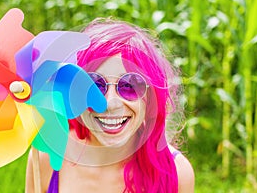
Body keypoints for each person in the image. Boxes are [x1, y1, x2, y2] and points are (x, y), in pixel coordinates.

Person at [26, 17, 194, 193]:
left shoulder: (176, 173)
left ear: (151, 98)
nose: (110, 103)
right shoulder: (46, 158)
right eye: (94, 85)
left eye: (129, 85)